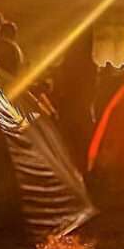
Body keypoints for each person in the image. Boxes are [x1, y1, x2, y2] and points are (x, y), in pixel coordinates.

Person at [52, 27, 97, 173]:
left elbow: (58, 91)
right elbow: (92, 92)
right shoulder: (90, 66)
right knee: (83, 152)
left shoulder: (65, 67)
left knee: (66, 153)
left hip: (67, 113)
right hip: (83, 113)